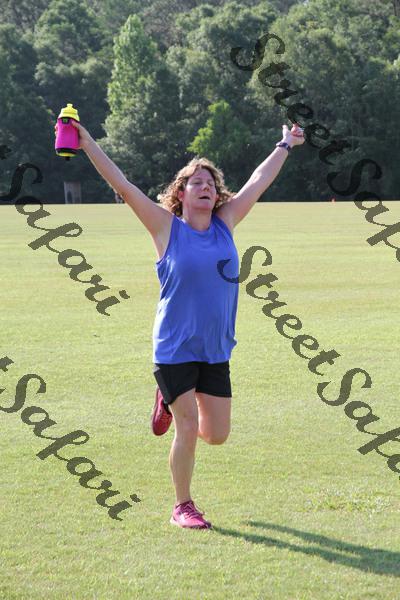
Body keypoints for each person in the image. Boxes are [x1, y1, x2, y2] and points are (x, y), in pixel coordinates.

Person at [55, 118, 305, 529]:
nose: (206, 186)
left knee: (217, 434)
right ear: (181, 192)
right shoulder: (165, 227)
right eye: (197, 182)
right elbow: (123, 186)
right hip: (174, 346)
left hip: (215, 347)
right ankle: (182, 506)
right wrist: (87, 143)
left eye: (211, 183)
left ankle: (167, 401)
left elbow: (258, 181)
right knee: (187, 425)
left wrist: (286, 144)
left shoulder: (226, 224)